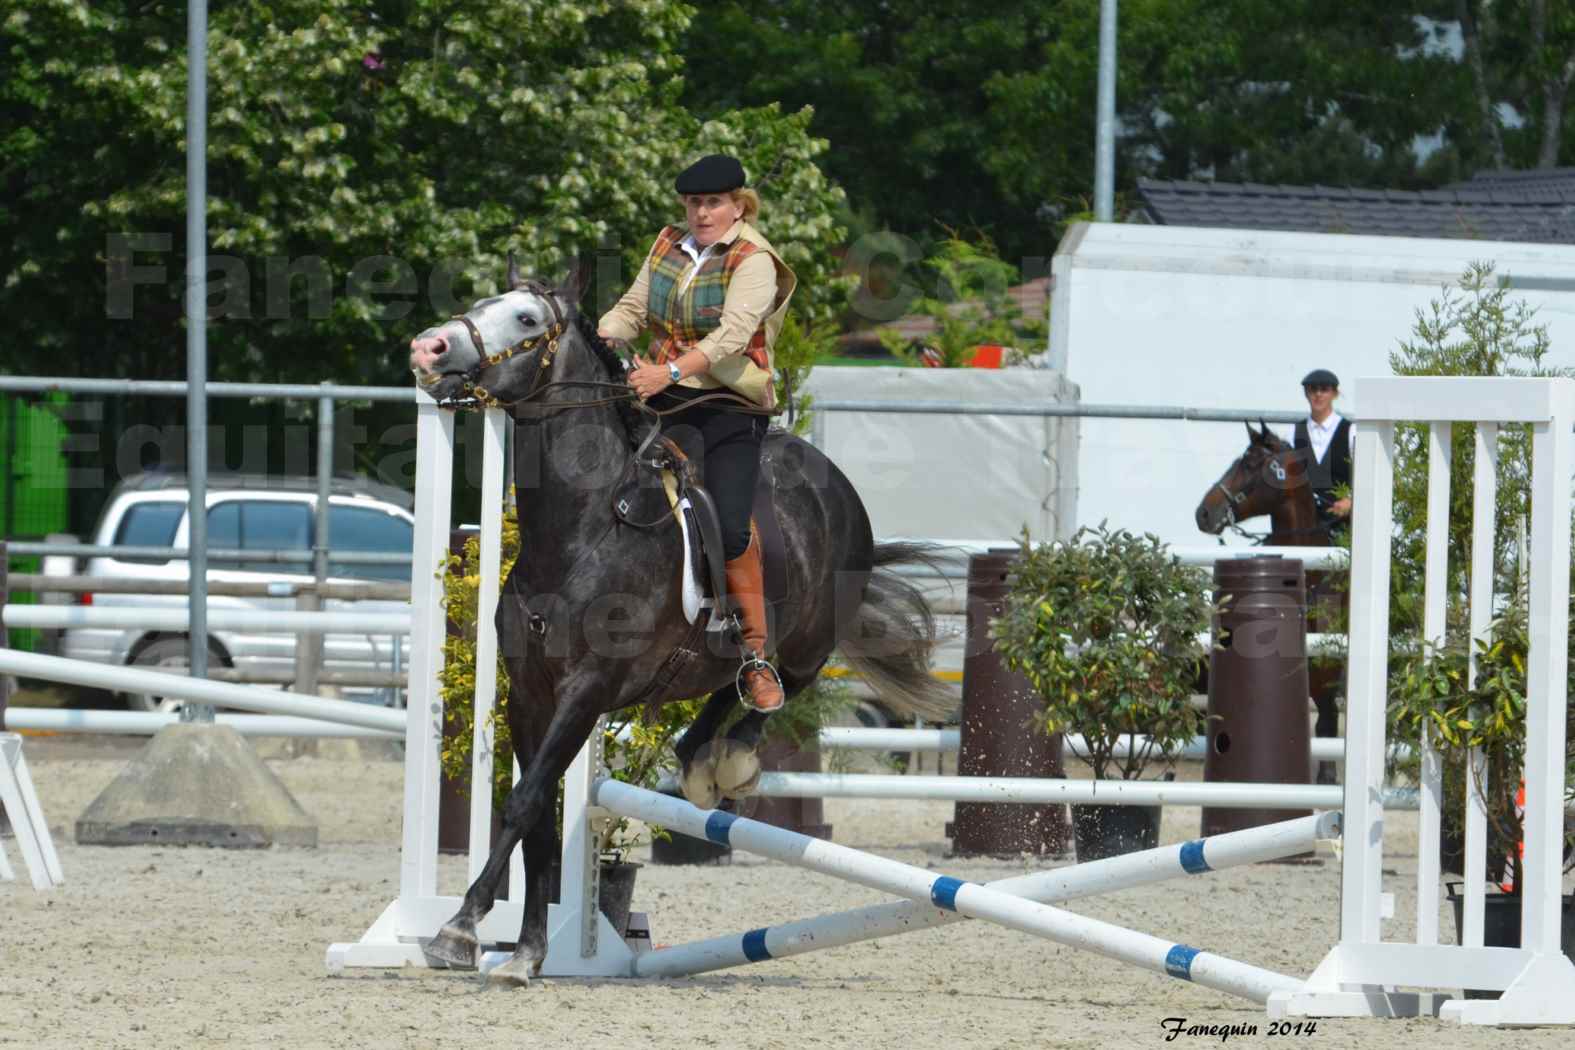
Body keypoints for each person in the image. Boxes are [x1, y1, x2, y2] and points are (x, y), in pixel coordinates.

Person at [598, 153, 798, 712]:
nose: (702, 212)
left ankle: (755, 654)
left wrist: (669, 370)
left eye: (713, 203)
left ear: (738, 205)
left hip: (728, 404)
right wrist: (598, 337)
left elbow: (732, 337)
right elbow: (633, 309)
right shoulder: (667, 243)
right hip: (660, 396)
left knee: (730, 525)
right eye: (694, 203)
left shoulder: (755, 260)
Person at [1293, 368, 1352, 528]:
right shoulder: (1294, 432)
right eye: (1313, 389)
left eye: (1324, 389)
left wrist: (1350, 500)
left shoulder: (1350, 431)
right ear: (1306, 393)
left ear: (1334, 394)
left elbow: (1365, 475)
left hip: (1342, 524)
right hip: (1303, 526)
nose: (1318, 394)